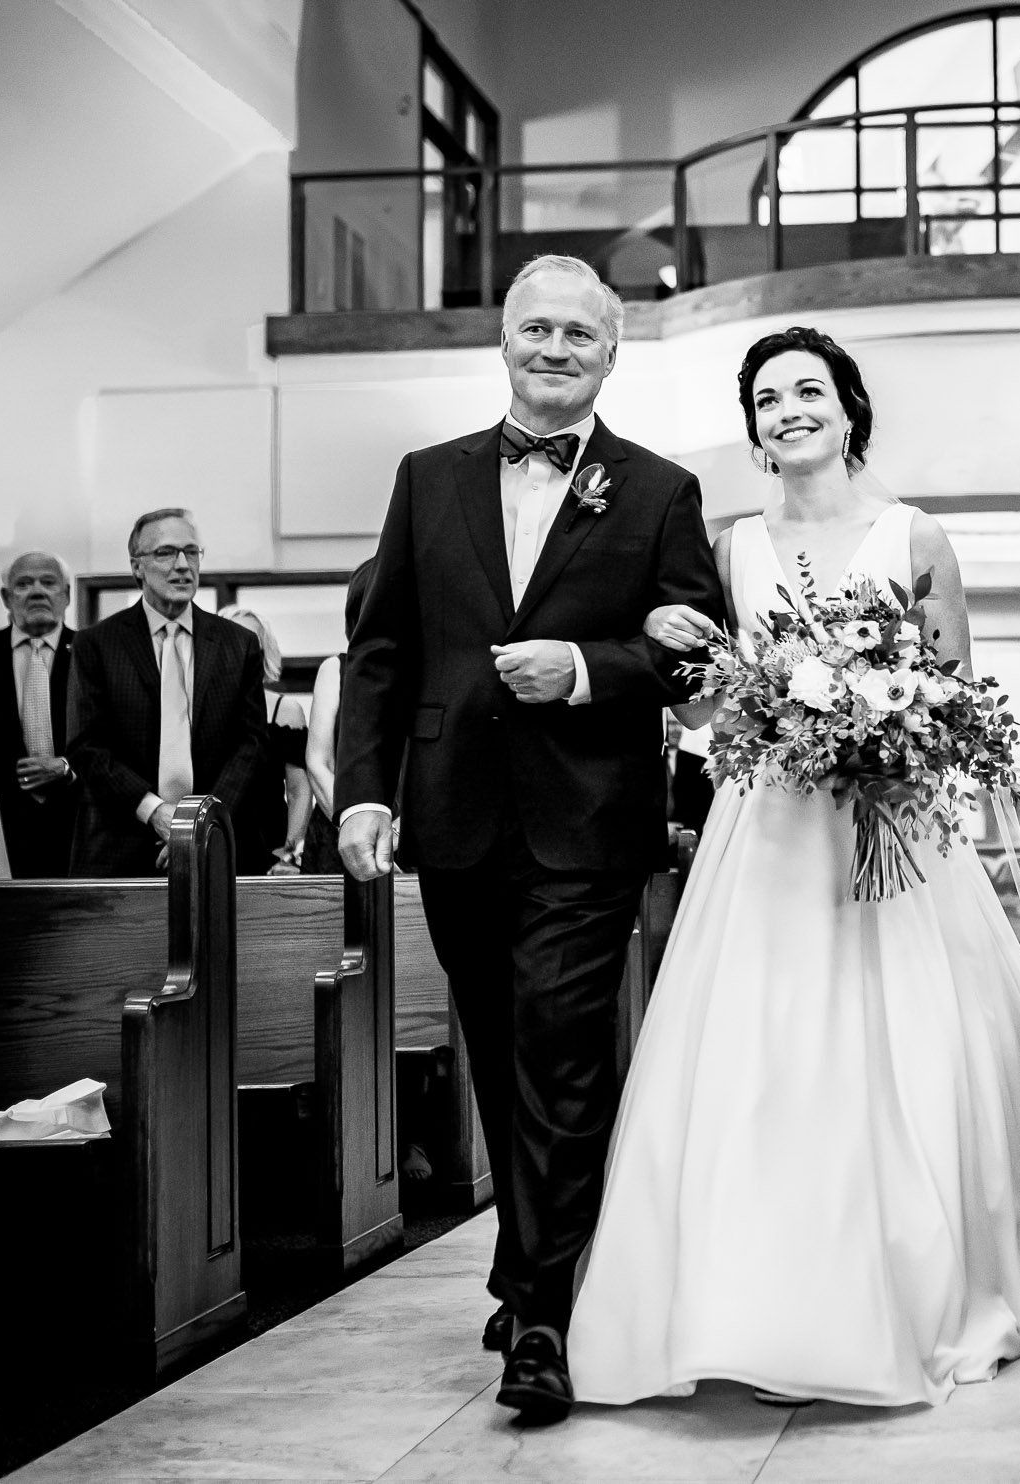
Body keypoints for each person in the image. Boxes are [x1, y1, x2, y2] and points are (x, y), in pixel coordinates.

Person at [572, 325, 1020, 1410]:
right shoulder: (731, 546)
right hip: (768, 831)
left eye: (808, 392)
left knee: (903, 1051)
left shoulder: (913, 535)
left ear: (848, 409)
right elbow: (706, 710)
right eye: (767, 397)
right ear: (753, 425)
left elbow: (957, 701)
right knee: (763, 1048)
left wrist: (891, 739)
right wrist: (677, 645)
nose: (787, 410)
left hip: (890, 835)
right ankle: (754, 1288)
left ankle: (906, 1268)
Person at [334, 254, 726, 1425]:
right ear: (503, 340)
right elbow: (383, 651)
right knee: (501, 1049)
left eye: (582, 336)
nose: (557, 350)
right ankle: (529, 1260)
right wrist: (363, 790)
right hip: (453, 812)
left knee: (561, 1049)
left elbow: (692, 652)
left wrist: (589, 670)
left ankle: (545, 1316)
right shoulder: (426, 477)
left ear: (613, 354)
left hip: (584, 819)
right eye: (538, 330)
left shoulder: (657, 490)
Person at [67, 511, 267, 877]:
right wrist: (156, 812)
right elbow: (86, 745)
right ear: (137, 566)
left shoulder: (238, 644)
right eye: (166, 553)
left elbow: (251, 743)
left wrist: (199, 824)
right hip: (120, 844)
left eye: (192, 552)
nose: (182, 565)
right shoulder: (96, 644)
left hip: (216, 844)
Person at [0, 552, 78, 877]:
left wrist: (67, 766)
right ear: (6, 597)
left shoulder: (92, 652)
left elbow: (115, 739)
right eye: (24, 584)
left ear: (66, 594)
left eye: (48, 583)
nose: (37, 591)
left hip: (77, 829)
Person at [218, 605, 311, 875]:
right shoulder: (195, 710)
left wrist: (291, 856)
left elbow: (298, 791)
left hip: (268, 846)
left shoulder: (286, 709)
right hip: (212, 841)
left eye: (251, 641)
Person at [300, 559, 376, 875]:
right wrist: (353, 821)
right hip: (340, 825)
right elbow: (318, 763)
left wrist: (399, 831)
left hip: (410, 835)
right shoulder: (336, 670)